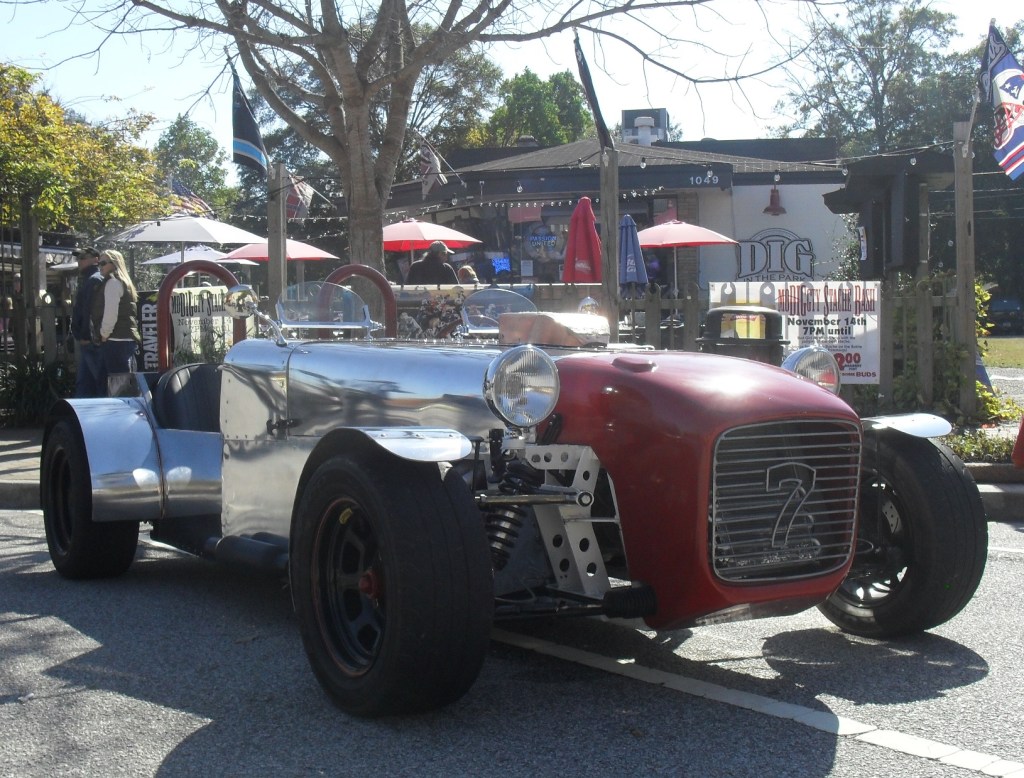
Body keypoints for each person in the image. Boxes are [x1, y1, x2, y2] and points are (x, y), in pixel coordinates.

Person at [92, 249, 140, 378]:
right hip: (126, 340)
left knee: (116, 385)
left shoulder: (112, 283)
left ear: (114, 264)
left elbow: (110, 314)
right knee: (124, 383)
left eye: (103, 263)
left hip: (115, 341)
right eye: (99, 264)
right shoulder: (125, 283)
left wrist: (104, 334)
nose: (100, 267)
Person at [70, 246, 107, 397]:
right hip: (91, 341)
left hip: (91, 342)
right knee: (86, 384)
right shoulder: (89, 279)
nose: (79, 261)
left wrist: (85, 336)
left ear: (95, 260)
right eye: (78, 258)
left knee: (94, 385)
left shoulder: (93, 280)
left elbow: (90, 312)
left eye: (83, 257)